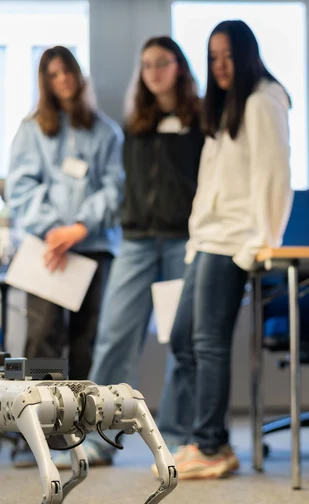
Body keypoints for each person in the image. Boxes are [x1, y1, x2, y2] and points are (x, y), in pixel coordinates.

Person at [164, 19, 293, 480]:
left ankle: (212, 445)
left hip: (235, 242)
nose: (220, 66)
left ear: (246, 55)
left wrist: (260, 245)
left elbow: (275, 175)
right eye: (213, 57)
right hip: (207, 241)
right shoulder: (223, 109)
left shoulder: (263, 100)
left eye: (228, 56)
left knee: (209, 343)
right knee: (182, 338)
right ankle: (201, 436)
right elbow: (211, 183)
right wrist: (196, 239)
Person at [85, 36, 205, 464]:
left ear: (179, 66)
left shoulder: (201, 120)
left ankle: (173, 436)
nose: (154, 71)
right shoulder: (134, 122)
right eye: (147, 64)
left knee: (184, 341)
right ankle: (99, 439)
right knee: (114, 337)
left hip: (181, 241)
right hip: (135, 241)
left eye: (162, 62)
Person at [6, 45, 124, 468]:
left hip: (93, 248)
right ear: (46, 81)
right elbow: (21, 188)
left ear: (77, 74)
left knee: (87, 340)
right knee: (42, 339)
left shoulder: (107, 131)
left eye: (67, 71)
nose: (62, 79)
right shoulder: (32, 129)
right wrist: (56, 228)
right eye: (52, 74)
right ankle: (39, 434)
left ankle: (83, 436)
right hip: (47, 251)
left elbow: (114, 189)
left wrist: (80, 227)